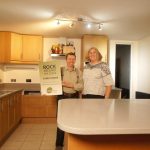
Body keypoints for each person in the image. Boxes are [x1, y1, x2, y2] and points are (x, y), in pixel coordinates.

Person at [55, 52, 83, 150]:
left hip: (74, 98)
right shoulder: (60, 70)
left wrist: (71, 85)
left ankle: (74, 144)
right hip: (62, 97)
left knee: (74, 121)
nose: (71, 61)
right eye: (69, 59)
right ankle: (58, 145)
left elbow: (81, 87)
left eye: (73, 59)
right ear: (66, 60)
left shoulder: (78, 72)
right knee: (60, 122)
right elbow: (53, 82)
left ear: (75, 60)